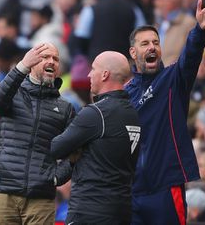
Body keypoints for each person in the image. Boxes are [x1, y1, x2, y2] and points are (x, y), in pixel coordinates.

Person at [125, 0, 205, 224]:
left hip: (165, 186)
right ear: (133, 53)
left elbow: (190, 57)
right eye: (145, 44)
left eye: (155, 42)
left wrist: (199, 31)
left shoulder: (173, 79)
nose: (152, 47)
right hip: (131, 190)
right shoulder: (125, 93)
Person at [51, 51, 141, 224]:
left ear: (105, 74)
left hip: (90, 210)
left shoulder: (95, 113)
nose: (89, 74)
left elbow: (55, 148)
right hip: (121, 209)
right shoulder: (132, 113)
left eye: (93, 69)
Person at [0, 43, 75, 225]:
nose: (51, 61)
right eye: (44, 57)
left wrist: (56, 177)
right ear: (32, 62)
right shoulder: (13, 95)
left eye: (55, 58)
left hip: (41, 198)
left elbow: (76, 152)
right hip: (5, 192)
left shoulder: (65, 108)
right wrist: (21, 66)